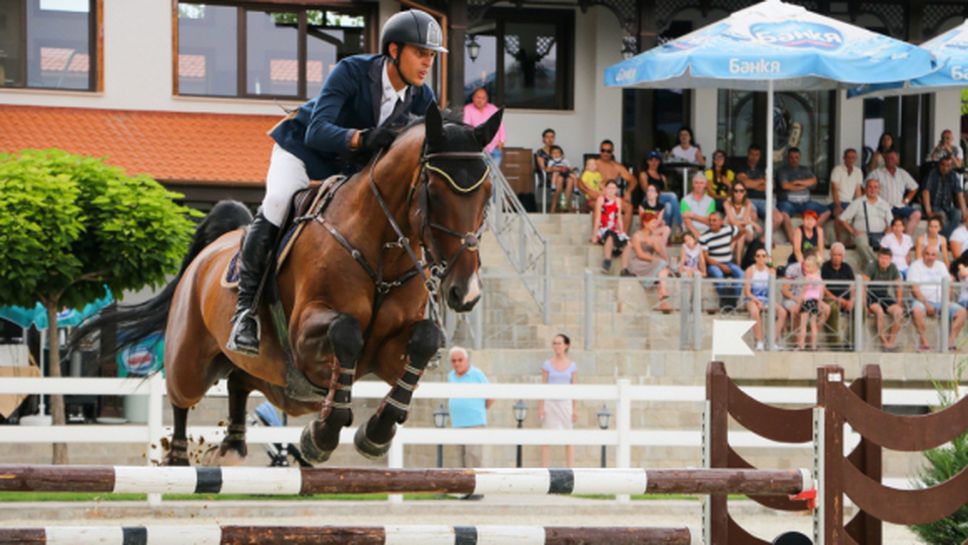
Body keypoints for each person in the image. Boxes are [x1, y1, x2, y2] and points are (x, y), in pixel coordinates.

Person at [229, 9, 445, 355]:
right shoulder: (352, 71)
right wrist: (361, 139)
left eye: (432, 56)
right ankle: (246, 312)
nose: (427, 63)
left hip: (349, 175)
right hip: (303, 153)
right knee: (279, 201)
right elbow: (317, 129)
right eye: (421, 53)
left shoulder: (423, 98)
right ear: (394, 50)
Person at [447, 346, 493, 487]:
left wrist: (479, 409)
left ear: (466, 360)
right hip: (457, 422)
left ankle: (479, 487)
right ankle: (463, 488)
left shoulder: (477, 374)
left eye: (460, 360)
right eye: (454, 361)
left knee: (474, 455)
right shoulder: (451, 376)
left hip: (475, 421)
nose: (457, 363)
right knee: (460, 456)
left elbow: (491, 395)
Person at [908, 246, 966, 352]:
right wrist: (926, 304)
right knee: (916, 310)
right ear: (922, 254)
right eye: (927, 254)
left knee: (962, 312)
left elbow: (948, 285)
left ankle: (950, 342)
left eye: (933, 254)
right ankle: (924, 342)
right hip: (922, 300)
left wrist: (947, 301)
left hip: (940, 301)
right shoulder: (915, 266)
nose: (930, 257)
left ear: (936, 256)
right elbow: (914, 288)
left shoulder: (941, 265)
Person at [539, 334, 578, 468]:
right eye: (554, 343)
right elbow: (543, 386)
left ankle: (571, 468)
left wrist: (575, 409)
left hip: (565, 403)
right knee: (546, 437)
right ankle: (544, 468)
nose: (557, 346)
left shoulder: (572, 366)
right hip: (550, 403)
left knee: (569, 437)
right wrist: (541, 407)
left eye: (559, 343)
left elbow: (574, 388)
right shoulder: (547, 364)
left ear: (566, 346)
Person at [776, 148, 830, 242]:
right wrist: (804, 185)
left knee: (827, 212)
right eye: (791, 157)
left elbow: (814, 181)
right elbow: (785, 186)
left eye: (796, 157)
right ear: (788, 158)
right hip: (788, 202)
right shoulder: (783, 170)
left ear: (800, 158)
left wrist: (798, 182)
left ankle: (810, 234)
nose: (794, 159)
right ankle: (792, 241)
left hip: (805, 203)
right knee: (784, 214)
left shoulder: (805, 170)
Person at [838, 178, 893, 268]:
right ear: (865, 189)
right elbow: (843, 218)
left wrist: (887, 231)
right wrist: (852, 231)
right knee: (862, 242)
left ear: (879, 190)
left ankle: (874, 265)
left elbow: (891, 222)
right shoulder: (857, 202)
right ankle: (876, 266)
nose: (873, 190)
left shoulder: (884, 204)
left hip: (880, 234)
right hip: (862, 234)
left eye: (876, 187)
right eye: (870, 187)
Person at [865, 149, 921, 236]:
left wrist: (906, 201)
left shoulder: (902, 173)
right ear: (884, 160)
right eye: (887, 158)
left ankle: (905, 239)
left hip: (899, 206)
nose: (890, 160)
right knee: (889, 227)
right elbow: (864, 187)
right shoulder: (876, 173)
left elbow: (914, 187)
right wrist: (872, 202)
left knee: (916, 214)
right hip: (883, 206)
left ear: (897, 160)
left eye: (892, 158)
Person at [735, 144, 785, 235]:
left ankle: (763, 240)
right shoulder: (741, 167)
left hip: (763, 200)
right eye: (752, 154)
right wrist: (762, 181)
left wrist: (752, 183)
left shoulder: (763, 168)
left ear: (760, 156)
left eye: (756, 155)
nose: (754, 157)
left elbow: (771, 185)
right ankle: (752, 241)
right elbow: (745, 184)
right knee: (752, 216)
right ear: (748, 154)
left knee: (779, 218)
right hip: (748, 199)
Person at [628, 210, 673, 311]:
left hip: (649, 262)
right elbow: (640, 254)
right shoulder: (637, 236)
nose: (655, 224)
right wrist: (656, 259)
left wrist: (662, 249)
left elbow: (660, 252)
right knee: (661, 264)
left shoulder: (653, 236)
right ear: (645, 223)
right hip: (638, 262)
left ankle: (663, 296)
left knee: (663, 270)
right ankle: (662, 295)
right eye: (653, 222)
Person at [744, 248, 787, 351]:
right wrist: (757, 301)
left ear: (767, 258)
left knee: (782, 312)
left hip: (766, 299)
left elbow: (772, 290)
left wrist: (771, 264)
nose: (761, 258)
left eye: (763, 256)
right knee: (755, 311)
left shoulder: (770, 271)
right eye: (758, 256)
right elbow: (747, 292)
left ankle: (772, 340)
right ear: (755, 258)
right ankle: (759, 341)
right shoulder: (750, 270)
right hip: (752, 298)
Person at [863, 248, 904, 351]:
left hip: (884, 295)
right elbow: (863, 287)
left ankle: (891, 342)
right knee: (879, 311)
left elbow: (899, 286)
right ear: (878, 257)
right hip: (871, 295)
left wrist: (899, 303)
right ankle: (884, 342)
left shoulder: (893, 267)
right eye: (882, 258)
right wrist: (864, 305)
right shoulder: (871, 266)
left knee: (899, 312)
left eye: (886, 258)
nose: (884, 261)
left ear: (890, 260)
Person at [700, 212, 743, 311]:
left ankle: (733, 301)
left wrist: (733, 240)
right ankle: (725, 301)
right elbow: (707, 258)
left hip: (728, 262)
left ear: (721, 222)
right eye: (710, 220)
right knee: (719, 275)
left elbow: (742, 230)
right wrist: (721, 266)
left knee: (741, 274)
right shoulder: (704, 236)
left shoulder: (728, 229)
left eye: (714, 220)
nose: (711, 223)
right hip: (713, 264)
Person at [920, 156, 967, 238]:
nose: (945, 168)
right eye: (943, 165)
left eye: (948, 166)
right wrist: (928, 211)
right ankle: (946, 240)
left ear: (951, 166)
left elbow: (959, 194)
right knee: (942, 216)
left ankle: (945, 239)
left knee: (957, 214)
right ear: (939, 165)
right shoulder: (932, 174)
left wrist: (964, 212)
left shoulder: (953, 176)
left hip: (947, 206)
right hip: (934, 206)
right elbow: (925, 192)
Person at [637, 150, 681, 232]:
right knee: (672, 195)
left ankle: (665, 233)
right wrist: (657, 194)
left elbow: (665, 191)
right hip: (649, 199)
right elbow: (646, 191)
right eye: (651, 160)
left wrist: (662, 195)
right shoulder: (644, 174)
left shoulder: (662, 177)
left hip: (660, 199)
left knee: (668, 206)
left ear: (659, 162)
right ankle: (680, 224)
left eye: (656, 160)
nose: (654, 162)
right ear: (647, 162)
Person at [821, 243, 855, 349]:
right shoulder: (824, 267)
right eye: (834, 255)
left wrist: (852, 301)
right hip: (829, 298)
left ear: (843, 256)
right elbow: (823, 288)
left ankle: (851, 343)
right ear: (830, 255)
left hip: (846, 300)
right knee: (833, 308)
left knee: (860, 309)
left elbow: (853, 286)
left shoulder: (847, 268)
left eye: (839, 255)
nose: (836, 257)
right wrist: (836, 299)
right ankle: (835, 344)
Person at [597, 140, 635, 232]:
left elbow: (633, 180)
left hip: (612, 198)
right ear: (600, 151)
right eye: (603, 150)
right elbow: (580, 182)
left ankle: (623, 237)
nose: (605, 153)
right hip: (596, 196)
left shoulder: (617, 166)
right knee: (598, 204)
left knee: (629, 207)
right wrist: (589, 192)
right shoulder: (593, 164)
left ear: (612, 152)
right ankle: (599, 236)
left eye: (608, 151)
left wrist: (628, 192)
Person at [592, 180, 629, 273]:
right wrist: (594, 235)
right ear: (605, 189)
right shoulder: (601, 199)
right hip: (604, 229)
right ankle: (607, 261)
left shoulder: (618, 200)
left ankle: (624, 268)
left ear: (616, 190)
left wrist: (622, 231)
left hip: (614, 229)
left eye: (613, 188)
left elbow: (619, 217)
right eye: (609, 188)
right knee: (610, 236)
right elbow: (597, 218)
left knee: (628, 243)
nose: (611, 190)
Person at [829, 148, 864, 246]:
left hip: (849, 203)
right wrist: (837, 205)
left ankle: (851, 241)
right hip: (836, 201)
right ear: (844, 158)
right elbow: (834, 189)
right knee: (839, 217)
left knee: (859, 216)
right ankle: (838, 242)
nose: (850, 160)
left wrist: (859, 205)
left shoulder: (858, 171)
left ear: (856, 159)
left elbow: (858, 191)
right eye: (848, 157)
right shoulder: (837, 169)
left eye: (853, 158)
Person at [463, 87, 505, 165]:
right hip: (478, 150)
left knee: (494, 175)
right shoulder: (468, 109)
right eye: (478, 97)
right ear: (473, 98)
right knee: (483, 174)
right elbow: (467, 128)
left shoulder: (493, 109)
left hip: (494, 148)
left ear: (487, 99)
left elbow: (500, 126)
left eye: (483, 98)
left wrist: (502, 141)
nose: (480, 100)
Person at [796, 255, 829, 351]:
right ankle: (813, 346)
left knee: (803, 325)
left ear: (814, 267)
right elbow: (821, 293)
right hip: (815, 302)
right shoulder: (819, 278)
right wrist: (818, 304)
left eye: (807, 266)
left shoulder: (807, 277)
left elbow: (803, 291)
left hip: (807, 301)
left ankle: (801, 346)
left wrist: (799, 304)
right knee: (813, 324)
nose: (805, 268)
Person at [724, 181, 761, 264]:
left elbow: (744, 221)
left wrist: (748, 223)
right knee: (740, 235)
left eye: (741, 191)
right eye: (736, 191)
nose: (738, 193)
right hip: (730, 227)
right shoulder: (727, 203)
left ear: (745, 192)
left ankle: (737, 265)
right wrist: (752, 223)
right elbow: (732, 221)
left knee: (742, 233)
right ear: (732, 192)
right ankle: (735, 265)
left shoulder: (748, 202)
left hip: (744, 228)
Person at [681, 172, 716, 238]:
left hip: (707, 231)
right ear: (693, 184)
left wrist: (693, 215)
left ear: (705, 185)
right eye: (696, 183)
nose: (699, 185)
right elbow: (687, 220)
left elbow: (709, 221)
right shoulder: (685, 200)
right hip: (690, 232)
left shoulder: (711, 201)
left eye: (701, 183)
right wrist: (697, 235)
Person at [547, 145, 577, 213]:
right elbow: (548, 169)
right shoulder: (551, 161)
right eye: (554, 153)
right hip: (555, 178)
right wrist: (558, 169)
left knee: (571, 179)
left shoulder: (564, 160)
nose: (556, 154)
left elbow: (569, 168)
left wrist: (568, 169)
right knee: (560, 178)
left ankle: (565, 206)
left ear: (561, 154)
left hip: (565, 175)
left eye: (558, 153)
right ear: (551, 155)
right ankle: (554, 205)